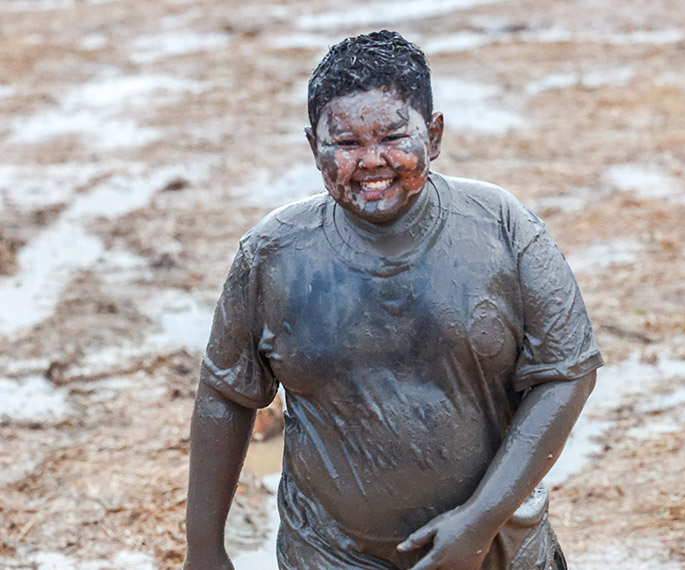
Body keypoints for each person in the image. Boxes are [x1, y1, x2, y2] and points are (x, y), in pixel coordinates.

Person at [184, 30, 603, 570]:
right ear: (314, 147)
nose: (372, 161)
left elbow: (566, 374)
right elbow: (225, 395)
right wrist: (204, 548)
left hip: (496, 549)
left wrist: (478, 522)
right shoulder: (273, 254)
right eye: (348, 143)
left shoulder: (503, 227)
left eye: (392, 137)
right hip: (330, 554)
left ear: (434, 133)